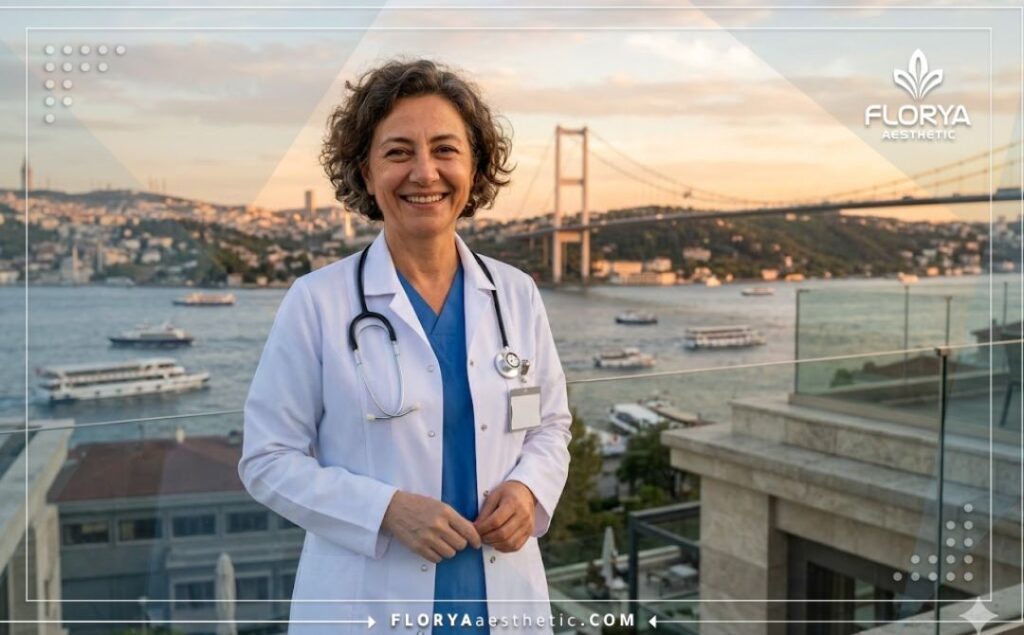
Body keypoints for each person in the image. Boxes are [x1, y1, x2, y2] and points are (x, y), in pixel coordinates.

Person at [239, 59, 572, 635]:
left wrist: (527, 489)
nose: (425, 173)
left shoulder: (515, 295)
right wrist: (386, 511)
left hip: (503, 600)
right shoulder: (317, 302)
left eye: (445, 150)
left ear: (474, 168)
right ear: (365, 173)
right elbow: (267, 460)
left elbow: (549, 426)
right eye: (398, 152)